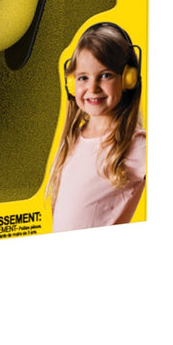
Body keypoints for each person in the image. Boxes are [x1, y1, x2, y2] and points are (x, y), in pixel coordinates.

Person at [48, 21, 145, 231]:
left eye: (105, 75)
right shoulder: (73, 138)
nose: (93, 88)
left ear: (128, 79)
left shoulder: (134, 144)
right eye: (83, 77)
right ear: (71, 84)